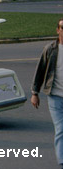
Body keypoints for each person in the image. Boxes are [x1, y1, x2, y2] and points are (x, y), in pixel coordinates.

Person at [31, 17, 63, 167]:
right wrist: (34, 93)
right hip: (55, 96)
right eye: (62, 27)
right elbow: (40, 71)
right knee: (61, 129)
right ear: (57, 30)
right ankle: (62, 162)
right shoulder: (50, 49)